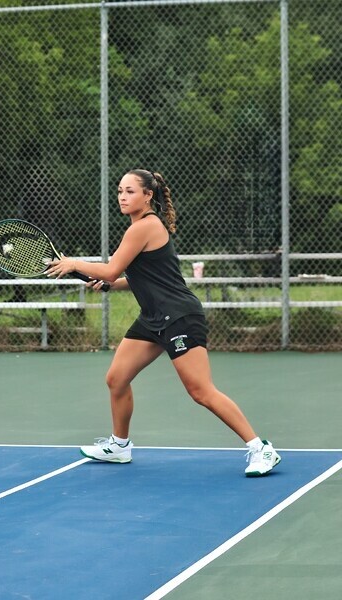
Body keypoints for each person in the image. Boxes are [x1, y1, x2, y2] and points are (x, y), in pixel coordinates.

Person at [46, 169, 281, 477]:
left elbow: (112, 268)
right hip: (152, 318)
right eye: (120, 191)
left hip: (179, 317)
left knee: (201, 391)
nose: (122, 197)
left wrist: (74, 264)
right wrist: (112, 285)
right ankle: (119, 446)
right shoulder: (139, 228)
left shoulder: (145, 226)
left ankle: (261, 448)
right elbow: (140, 276)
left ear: (148, 196)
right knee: (116, 379)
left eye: (130, 191)